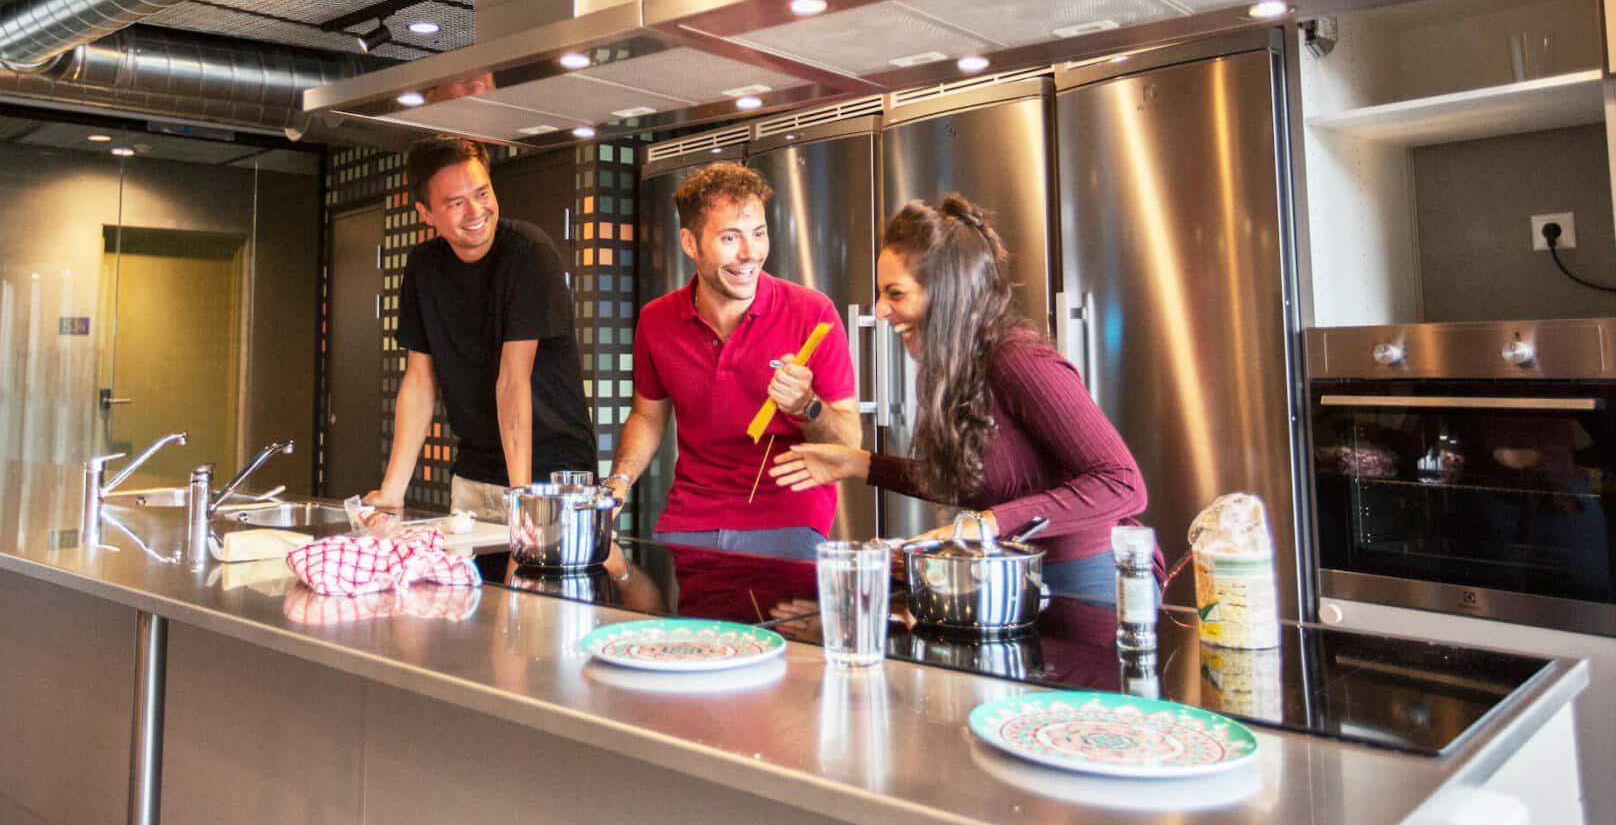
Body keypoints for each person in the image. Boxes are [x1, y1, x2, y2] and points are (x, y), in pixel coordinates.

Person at [770, 196, 1151, 603]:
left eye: (895, 294)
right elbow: (972, 479)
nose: (880, 311)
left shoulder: (1019, 360)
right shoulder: (955, 368)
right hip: (1015, 574)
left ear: (947, 293)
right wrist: (856, 463)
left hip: (1085, 582)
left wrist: (985, 525)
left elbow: (1122, 482)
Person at [601, 162, 861, 560]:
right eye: (729, 237)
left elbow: (849, 443)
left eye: (758, 234)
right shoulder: (656, 320)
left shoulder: (812, 312)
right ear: (690, 244)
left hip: (788, 520)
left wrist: (808, 406)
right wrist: (617, 485)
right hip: (689, 520)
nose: (750, 253)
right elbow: (648, 417)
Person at [364, 136, 595, 521]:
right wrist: (392, 491)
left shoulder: (528, 253)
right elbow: (420, 381)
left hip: (552, 476)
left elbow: (512, 380)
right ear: (426, 213)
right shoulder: (424, 268)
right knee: (470, 584)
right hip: (475, 471)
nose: (475, 211)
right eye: (455, 203)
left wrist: (521, 497)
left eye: (482, 193)